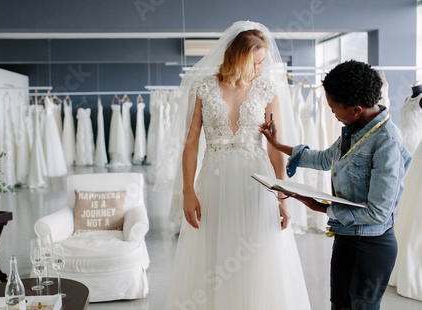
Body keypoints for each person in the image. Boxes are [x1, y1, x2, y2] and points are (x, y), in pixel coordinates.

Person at [162, 21, 311, 310]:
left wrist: (282, 197)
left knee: (257, 252)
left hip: (256, 183)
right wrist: (187, 191)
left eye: (263, 62)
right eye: (255, 62)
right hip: (213, 183)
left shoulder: (267, 89)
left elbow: (275, 147)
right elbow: (191, 143)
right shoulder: (203, 87)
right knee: (214, 255)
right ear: (237, 56)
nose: (260, 69)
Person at [260, 60, 412, 310]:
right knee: (339, 305)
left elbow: (378, 213)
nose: (332, 113)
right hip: (346, 237)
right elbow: (323, 158)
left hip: (372, 247)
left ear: (356, 109)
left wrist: (320, 207)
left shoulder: (387, 143)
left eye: (334, 109)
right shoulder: (354, 130)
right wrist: (278, 145)